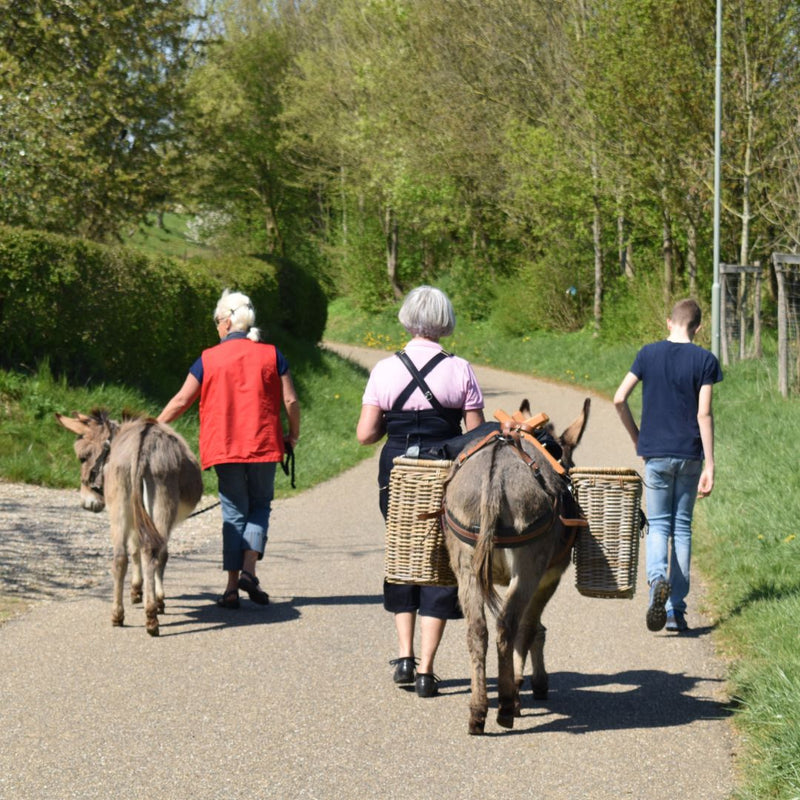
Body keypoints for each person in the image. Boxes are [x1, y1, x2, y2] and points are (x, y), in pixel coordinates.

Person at [356, 285, 486, 698]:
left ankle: (405, 656)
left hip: (397, 473)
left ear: (407, 319)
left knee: (404, 554)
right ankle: (428, 670)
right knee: (442, 563)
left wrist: (391, 426)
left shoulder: (384, 369)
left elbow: (364, 435)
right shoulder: (461, 369)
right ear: (444, 322)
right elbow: (477, 436)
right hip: (444, 471)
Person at [158, 289, 300, 610]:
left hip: (224, 446)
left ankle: (232, 588)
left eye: (217, 321)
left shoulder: (208, 359)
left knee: (234, 512)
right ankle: (249, 570)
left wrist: (153, 426)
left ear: (226, 321)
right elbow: (290, 400)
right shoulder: (272, 355)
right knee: (260, 505)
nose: (216, 327)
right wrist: (292, 434)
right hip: (264, 444)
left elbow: (182, 400)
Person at [613, 298, 722, 633]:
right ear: (699, 327)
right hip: (689, 455)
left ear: (668, 322)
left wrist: (637, 438)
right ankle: (675, 611)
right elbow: (703, 413)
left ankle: (657, 580)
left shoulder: (647, 354)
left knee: (658, 526)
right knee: (682, 528)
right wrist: (710, 464)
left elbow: (619, 398)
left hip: (656, 454)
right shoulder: (705, 360)